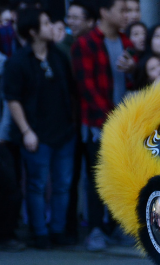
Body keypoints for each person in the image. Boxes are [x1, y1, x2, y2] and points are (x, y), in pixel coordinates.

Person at [4, 7, 77, 248]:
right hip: (36, 133)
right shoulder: (18, 61)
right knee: (36, 185)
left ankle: (57, 231)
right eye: (45, 23)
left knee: (62, 184)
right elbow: (12, 98)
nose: (51, 26)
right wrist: (26, 131)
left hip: (64, 132)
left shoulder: (58, 56)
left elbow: (70, 89)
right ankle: (40, 233)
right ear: (33, 31)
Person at [71, 0, 135, 251]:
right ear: (104, 12)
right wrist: (112, 118)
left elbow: (134, 81)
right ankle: (95, 229)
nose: (127, 15)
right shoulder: (84, 44)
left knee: (119, 175)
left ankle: (118, 226)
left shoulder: (126, 42)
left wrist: (133, 69)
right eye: (122, 10)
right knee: (96, 177)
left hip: (123, 123)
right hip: (97, 124)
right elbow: (86, 88)